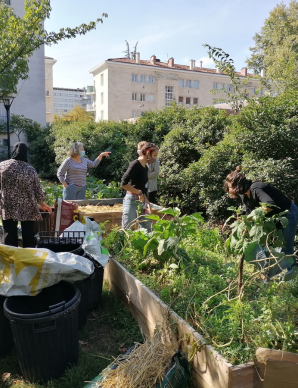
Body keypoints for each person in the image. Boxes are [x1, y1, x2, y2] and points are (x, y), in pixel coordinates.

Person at [224, 166, 298, 273]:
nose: (229, 190)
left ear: (238, 186)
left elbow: (269, 205)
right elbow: (250, 212)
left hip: (288, 214)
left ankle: (292, 277)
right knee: (271, 247)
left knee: (286, 248)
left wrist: (252, 218)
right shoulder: (244, 195)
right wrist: (244, 225)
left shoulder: (256, 188)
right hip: (273, 218)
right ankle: (275, 275)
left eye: (230, 187)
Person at [0, 142, 52, 248]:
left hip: (8, 204)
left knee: (9, 233)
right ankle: (29, 256)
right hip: (27, 205)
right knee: (28, 233)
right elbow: (37, 189)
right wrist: (43, 204)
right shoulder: (30, 169)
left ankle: (10, 257)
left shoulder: (2, 166)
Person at [121, 142, 159, 230]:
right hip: (131, 200)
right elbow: (123, 184)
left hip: (141, 201)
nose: (155, 158)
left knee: (148, 228)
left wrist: (147, 202)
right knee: (127, 228)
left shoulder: (145, 167)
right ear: (148, 153)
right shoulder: (135, 164)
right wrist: (138, 192)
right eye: (155, 155)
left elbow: (142, 187)